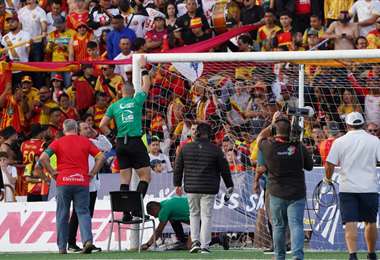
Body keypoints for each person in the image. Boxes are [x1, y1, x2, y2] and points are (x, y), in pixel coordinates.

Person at [38, 119, 105, 254]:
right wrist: (92, 173)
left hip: (63, 181)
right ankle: (88, 241)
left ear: (64, 130)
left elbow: (43, 158)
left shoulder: (57, 142)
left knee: (62, 214)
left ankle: (62, 247)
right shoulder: (86, 141)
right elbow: (101, 158)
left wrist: (52, 172)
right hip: (81, 181)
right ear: (76, 129)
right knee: (83, 212)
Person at [254, 112, 313, 260]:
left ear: (274, 131)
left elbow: (260, 137)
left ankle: (279, 257)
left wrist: (272, 124)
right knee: (296, 225)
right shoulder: (299, 147)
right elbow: (310, 166)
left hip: (276, 192)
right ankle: (297, 256)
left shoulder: (268, 147)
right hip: (297, 193)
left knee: (278, 226)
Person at [99, 56, 151, 221]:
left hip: (121, 142)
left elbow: (102, 125)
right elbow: (147, 85)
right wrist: (143, 68)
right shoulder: (136, 100)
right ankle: (136, 208)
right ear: (132, 92)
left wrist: (114, 137)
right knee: (145, 177)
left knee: (125, 180)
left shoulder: (114, 106)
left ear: (121, 92)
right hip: (135, 141)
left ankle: (126, 213)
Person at [325, 112, 380, 260]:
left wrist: (328, 179)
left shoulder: (340, 141)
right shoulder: (374, 140)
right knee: (371, 221)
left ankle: (353, 255)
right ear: (362, 124)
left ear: (347, 125)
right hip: (369, 187)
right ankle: (371, 253)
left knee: (350, 222)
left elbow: (329, 163)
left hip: (348, 188)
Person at [173, 122, 234, 254]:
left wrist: (177, 184)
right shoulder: (216, 149)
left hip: (191, 188)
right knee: (206, 216)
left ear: (196, 133)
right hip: (209, 189)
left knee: (193, 215)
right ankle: (205, 245)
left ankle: (195, 242)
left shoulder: (185, 148)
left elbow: (178, 168)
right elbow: (225, 170)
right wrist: (230, 185)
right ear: (209, 134)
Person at [67, 121, 111, 253]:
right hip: (81, 182)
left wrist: (96, 134)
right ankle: (71, 243)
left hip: (93, 184)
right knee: (77, 213)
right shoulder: (75, 142)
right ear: (78, 131)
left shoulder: (92, 141)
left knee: (88, 214)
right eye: (85, 128)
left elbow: (108, 147)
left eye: (89, 127)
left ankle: (87, 242)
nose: (88, 130)